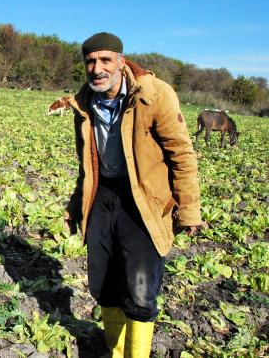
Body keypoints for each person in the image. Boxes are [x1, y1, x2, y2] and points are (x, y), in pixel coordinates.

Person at [65, 32, 201, 357]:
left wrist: (189, 209)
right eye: (90, 61)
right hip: (103, 197)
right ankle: (114, 349)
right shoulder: (82, 105)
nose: (97, 68)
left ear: (121, 61)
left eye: (105, 60)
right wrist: (76, 205)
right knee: (102, 283)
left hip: (144, 200)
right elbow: (87, 166)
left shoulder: (154, 95)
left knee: (140, 291)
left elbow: (182, 154)